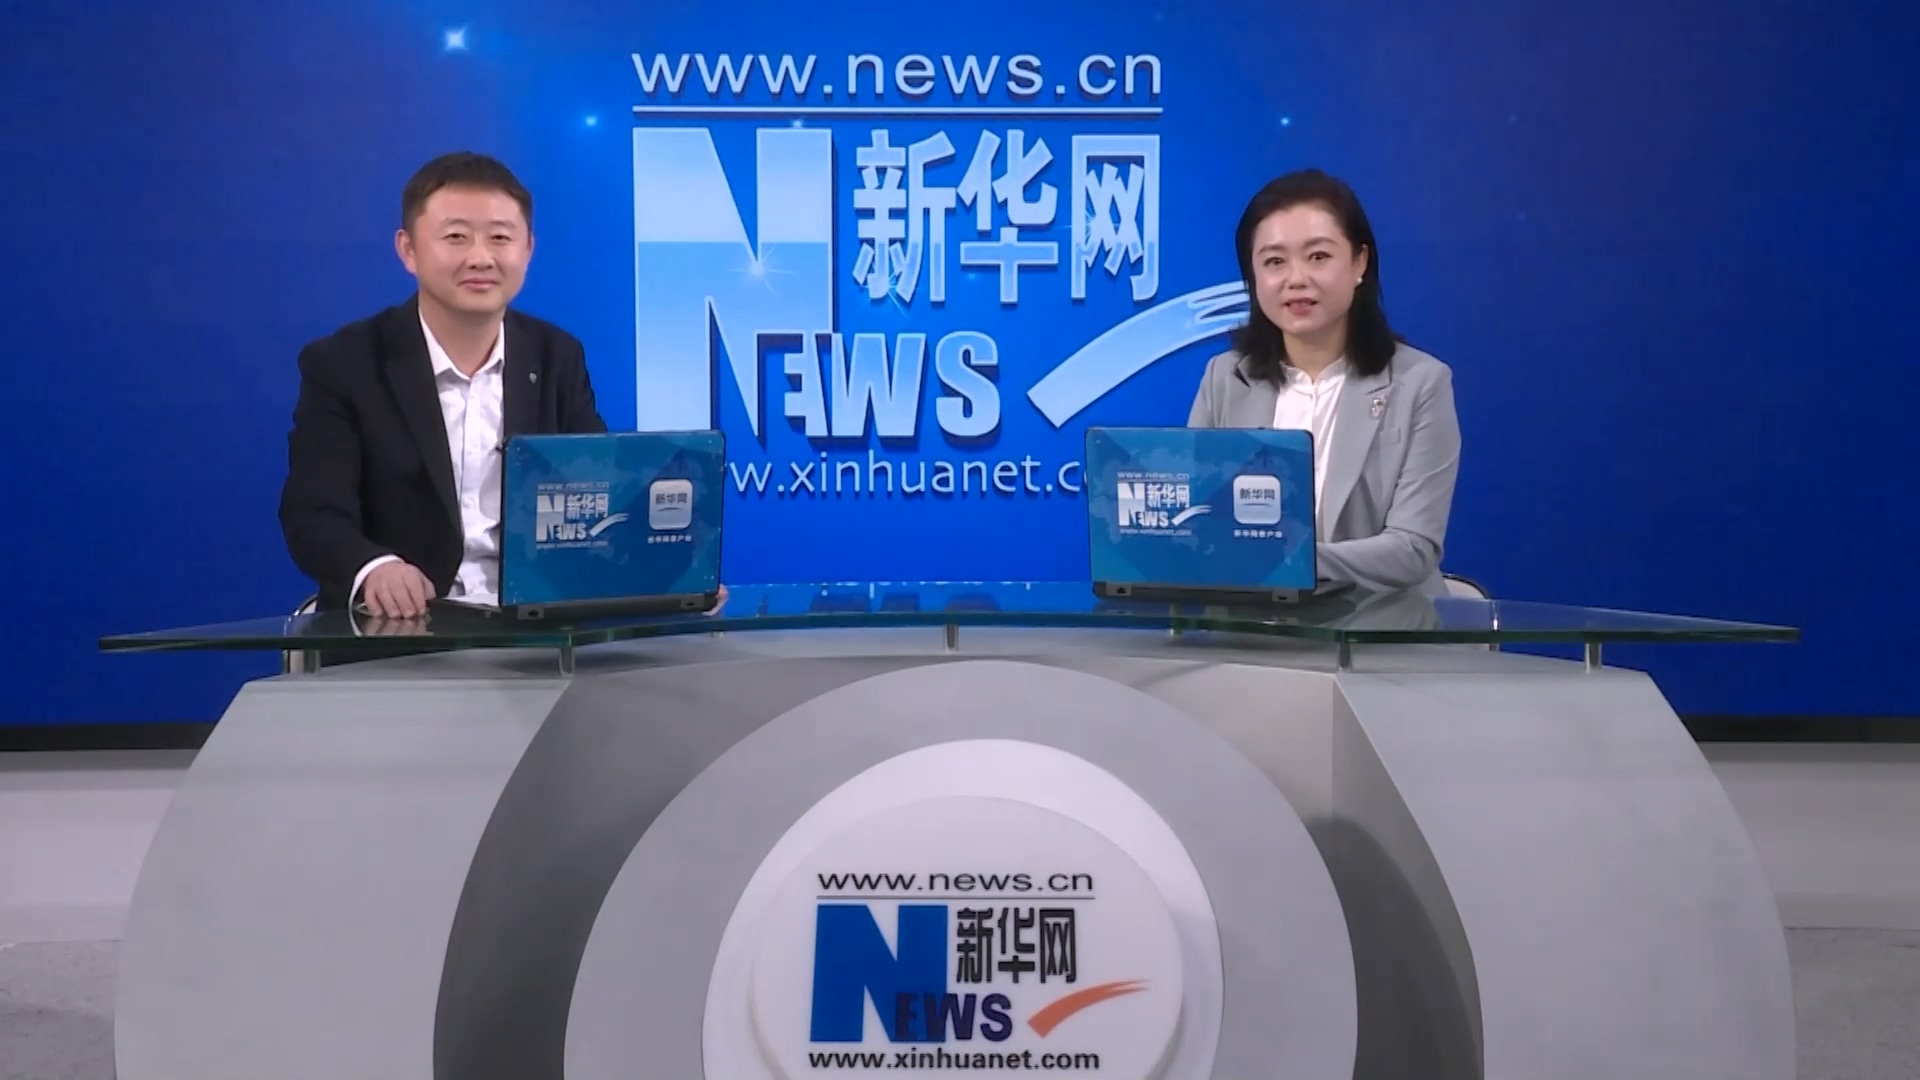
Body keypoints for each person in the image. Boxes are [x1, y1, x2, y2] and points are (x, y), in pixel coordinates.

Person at [279, 151, 607, 617]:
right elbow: (313, 513)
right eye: (456, 237)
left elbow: (596, 491)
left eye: (500, 238)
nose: (481, 258)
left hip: (535, 626)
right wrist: (374, 568)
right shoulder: (345, 363)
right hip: (402, 630)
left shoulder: (557, 357)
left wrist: (664, 567)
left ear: (528, 249)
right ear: (408, 250)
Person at [1188, 168, 1461, 596]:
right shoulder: (1225, 378)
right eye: (1275, 262)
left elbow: (1413, 547)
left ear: (1359, 263)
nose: (1296, 278)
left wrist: (1289, 561)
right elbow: (1197, 520)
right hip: (1250, 623)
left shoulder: (1420, 383)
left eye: (1318, 257)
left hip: (1383, 626)